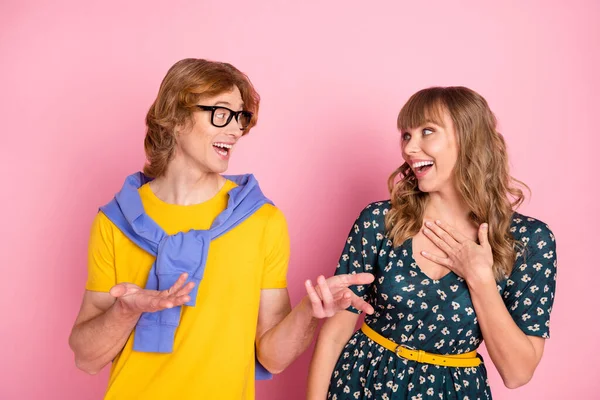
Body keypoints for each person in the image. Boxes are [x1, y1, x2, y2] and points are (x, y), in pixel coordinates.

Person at [68, 58, 374, 400]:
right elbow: (87, 358)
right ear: (175, 117)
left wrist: (309, 311)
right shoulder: (116, 221)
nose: (235, 130)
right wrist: (127, 310)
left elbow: (271, 357)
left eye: (240, 117)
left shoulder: (261, 221)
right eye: (221, 113)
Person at [307, 86, 557, 399]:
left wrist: (480, 279)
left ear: (470, 138)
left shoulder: (528, 241)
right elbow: (333, 336)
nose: (410, 148)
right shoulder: (380, 221)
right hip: (361, 385)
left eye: (428, 131)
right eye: (406, 135)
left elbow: (518, 373)